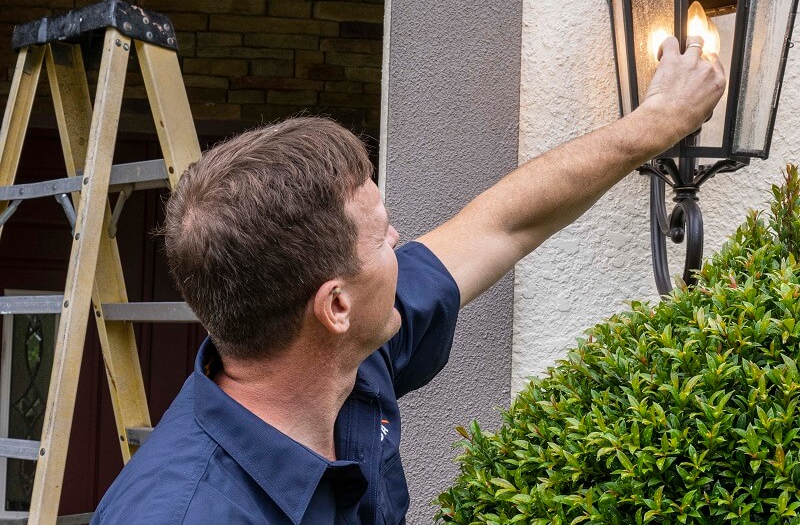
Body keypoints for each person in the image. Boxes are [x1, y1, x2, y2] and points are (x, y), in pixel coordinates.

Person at [92, 36, 725, 524]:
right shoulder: (184, 512)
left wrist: (658, 121)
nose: (401, 243)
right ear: (334, 305)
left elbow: (502, 225)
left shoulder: (350, 363)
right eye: (383, 236)